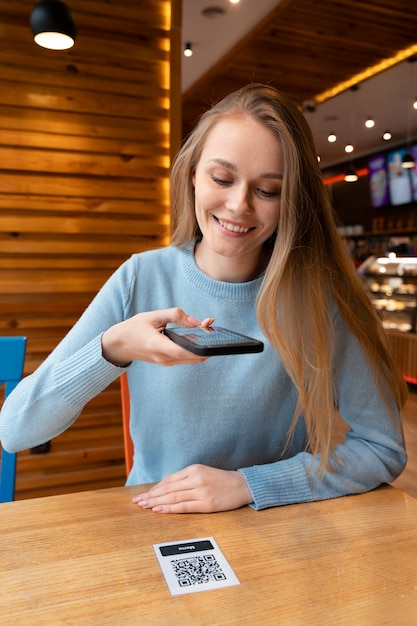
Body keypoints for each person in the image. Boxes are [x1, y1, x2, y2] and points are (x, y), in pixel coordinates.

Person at [0, 84, 407, 513]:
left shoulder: (318, 299)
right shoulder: (140, 278)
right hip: (156, 521)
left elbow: (382, 447)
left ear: (292, 201)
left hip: (277, 532)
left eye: (268, 190)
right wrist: (113, 347)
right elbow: (15, 429)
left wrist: (249, 484)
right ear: (192, 173)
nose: (238, 205)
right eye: (222, 178)